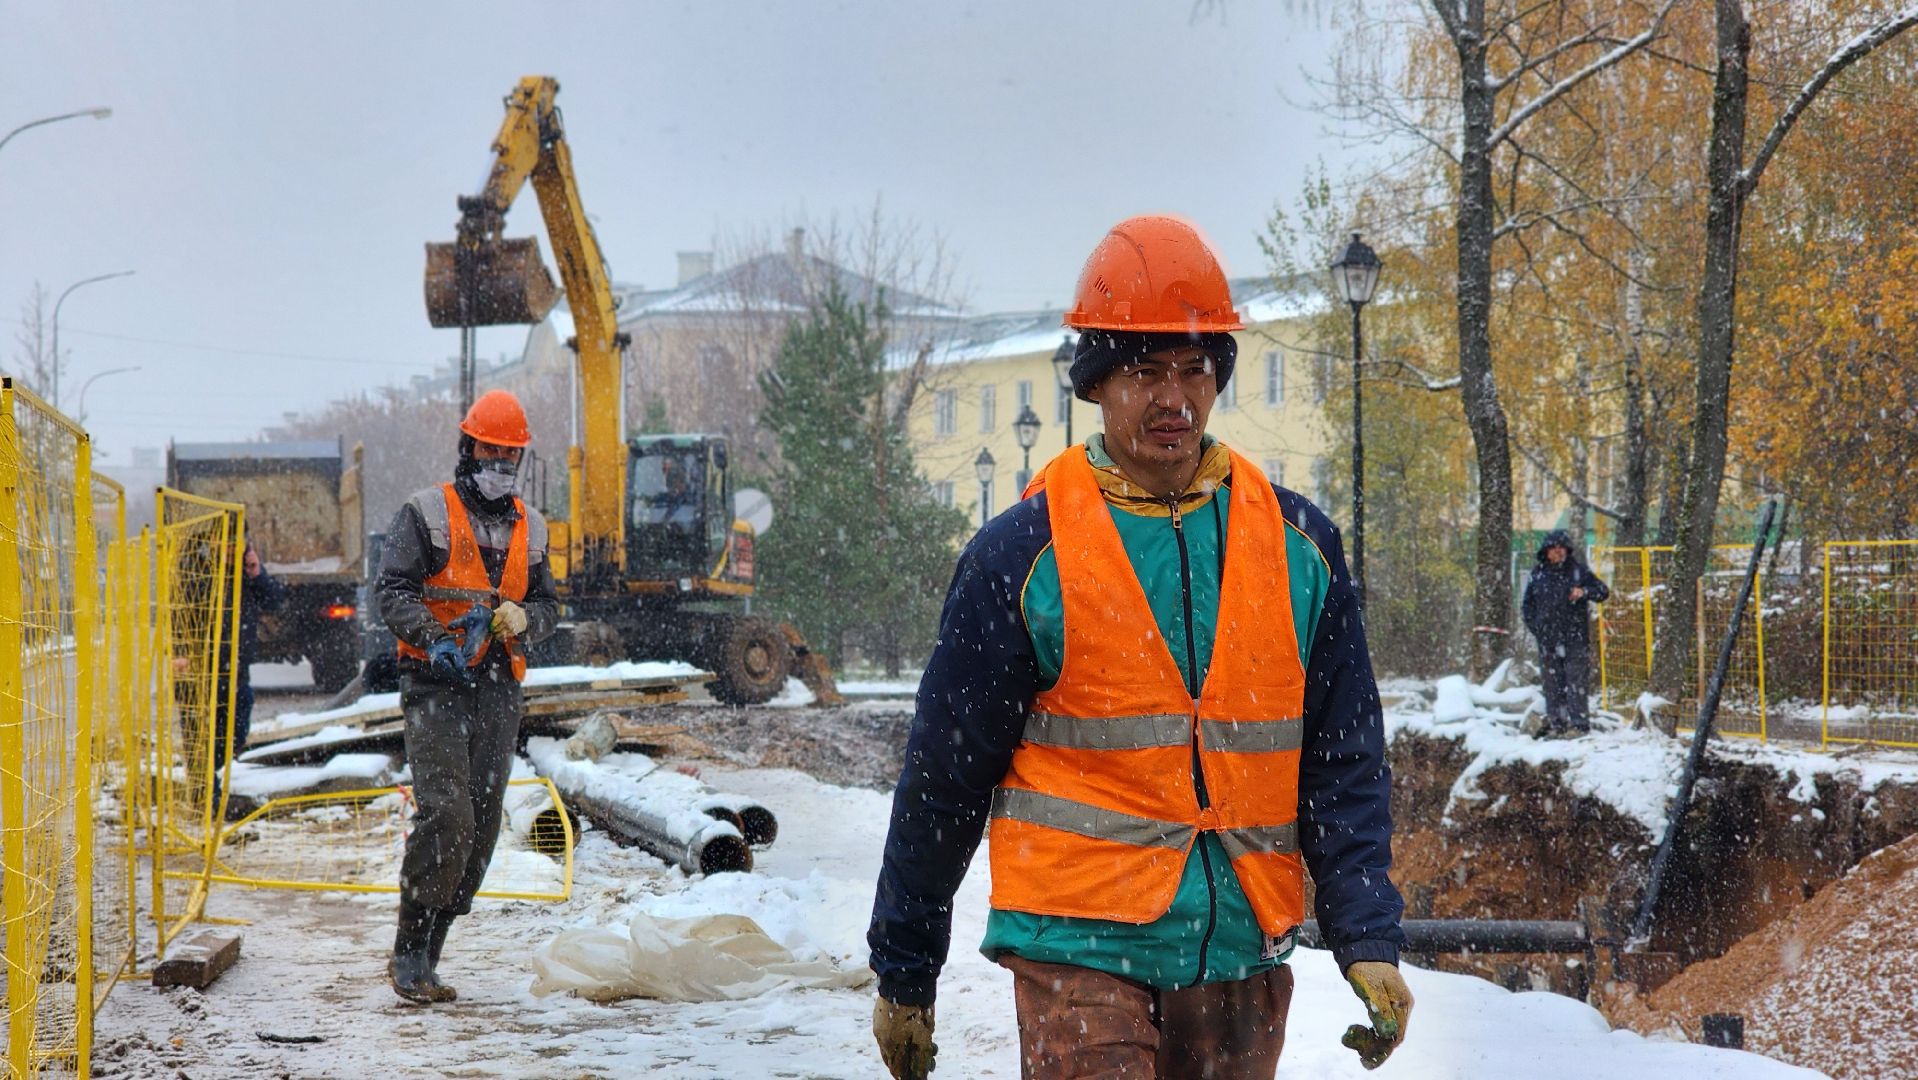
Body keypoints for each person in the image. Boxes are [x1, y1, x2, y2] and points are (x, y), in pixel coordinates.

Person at [867, 215, 1411, 1079]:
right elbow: (944, 775)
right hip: (1076, 950)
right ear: (1095, 382)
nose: (1175, 398)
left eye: (1195, 368)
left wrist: (1366, 933)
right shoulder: (1020, 557)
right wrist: (905, 967)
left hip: (1239, 947)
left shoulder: (1300, 546)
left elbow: (1342, 759)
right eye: (1145, 370)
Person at [376, 389, 560, 1004]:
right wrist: (434, 639)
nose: (500, 464)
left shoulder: (533, 527)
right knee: (447, 813)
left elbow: (550, 606)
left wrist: (526, 618)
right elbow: (393, 590)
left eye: (511, 455)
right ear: (468, 448)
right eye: (490, 451)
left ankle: (435, 947)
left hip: (498, 689)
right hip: (436, 683)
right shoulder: (425, 512)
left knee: (480, 827)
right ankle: (409, 948)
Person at [1521, 529, 1609, 738]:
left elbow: (1603, 591)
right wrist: (1539, 631)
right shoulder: (1538, 574)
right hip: (1548, 641)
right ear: (1547, 551)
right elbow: (1527, 607)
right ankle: (1557, 724)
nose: (1558, 552)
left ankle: (1579, 724)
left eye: (1562, 548)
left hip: (1575, 639)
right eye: (1554, 548)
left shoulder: (1578, 572)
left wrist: (1584, 592)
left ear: (1567, 550)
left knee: (1576, 682)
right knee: (1552, 684)